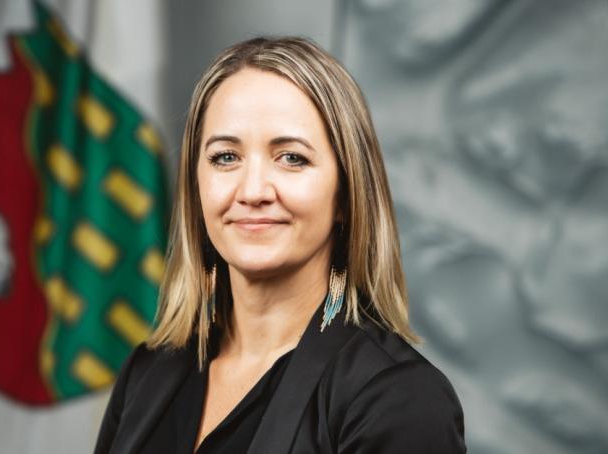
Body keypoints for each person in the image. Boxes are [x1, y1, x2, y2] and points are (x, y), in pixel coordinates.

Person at [94, 36, 465, 453]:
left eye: (291, 158)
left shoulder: (399, 399)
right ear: (195, 186)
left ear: (346, 194)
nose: (252, 191)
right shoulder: (148, 372)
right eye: (225, 157)